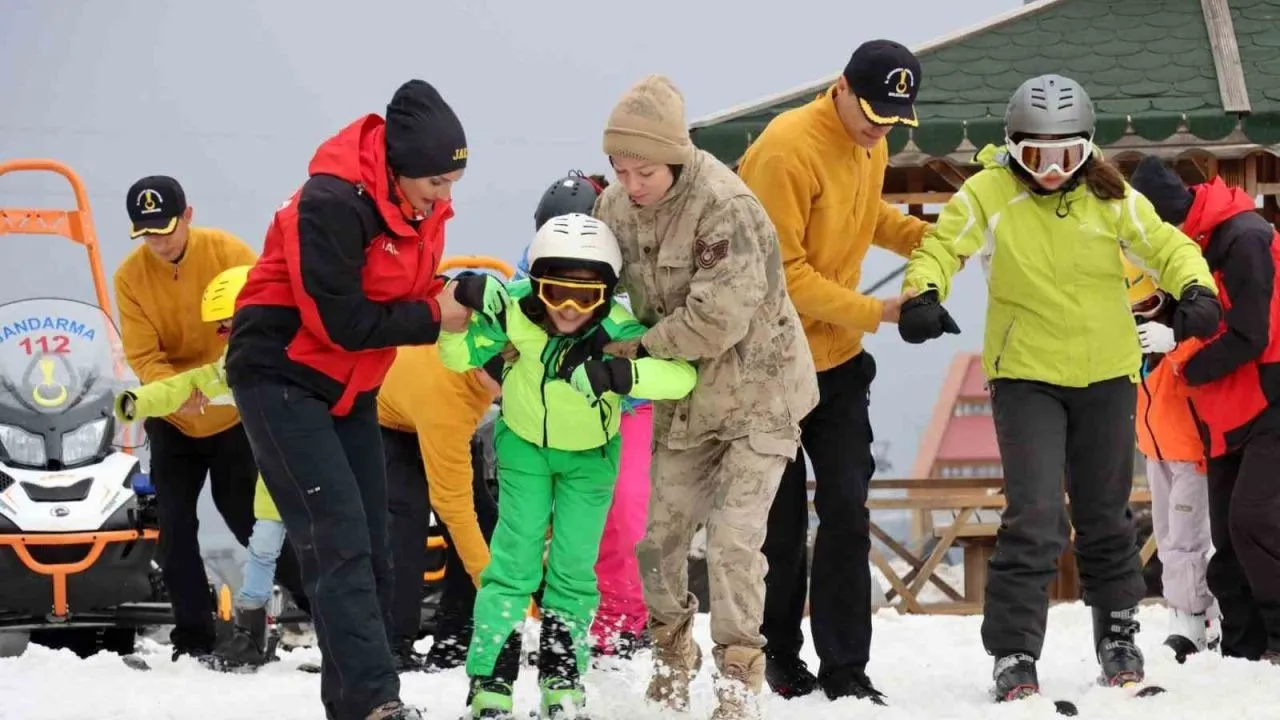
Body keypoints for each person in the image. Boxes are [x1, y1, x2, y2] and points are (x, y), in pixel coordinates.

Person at [897, 74, 1220, 702]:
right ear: (1012, 146)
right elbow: (942, 246)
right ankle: (1014, 650)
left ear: (1087, 148)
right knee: (1036, 514)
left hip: (1106, 372)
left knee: (1105, 514)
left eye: (1067, 155)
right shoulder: (989, 192)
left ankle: (1118, 636)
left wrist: (1196, 288)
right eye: (1036, 155)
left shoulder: (1111, 194)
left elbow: (1166, 245)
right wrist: (923, 293)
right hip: (1026, 375)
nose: (1051, 170)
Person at [224, 79, 499, 720]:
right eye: (436, 182)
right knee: (338, 539)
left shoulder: (420, 207)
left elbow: (404, 287)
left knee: (374, 547)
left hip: (352, 384)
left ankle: (355, 705)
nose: (446, 196)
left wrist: (456, 288)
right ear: (397, 167)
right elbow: (339, 322)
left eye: (454, 183)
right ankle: (377, 704)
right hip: (282, 373)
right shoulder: (329, 202)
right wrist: (434, 316)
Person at [593, 74, 819, 719]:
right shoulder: (614, 207)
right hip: (686, 402)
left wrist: (633, 351)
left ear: (675, 157)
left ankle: (738, 681)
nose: (631, 185)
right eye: (620, 171)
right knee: (657, 541)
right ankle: (671, 660)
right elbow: (591, 285)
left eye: (644, 172)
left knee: (732, 542)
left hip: (760, 396)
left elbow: (717, 320)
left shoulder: (727, 207)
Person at [440, 212, 697, 719]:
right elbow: (456, 357)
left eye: (586, 296)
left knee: (575, 568)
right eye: (557, 293)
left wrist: (620, 373)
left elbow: (681, 377)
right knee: (514, 562)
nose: (570, 309)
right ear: (537, 285)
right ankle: (491, 680)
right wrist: (463, 304)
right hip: (525, 451)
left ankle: (562, 676)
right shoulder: (513, 310)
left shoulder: (615, 327)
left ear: (607, 294)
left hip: (589, 460)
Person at [736, 39, 929, 704]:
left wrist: (927, 238)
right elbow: (782, 275)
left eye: (895, 118)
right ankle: (780, 654)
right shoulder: (786, 150)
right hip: (769, 363)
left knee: (847, 506)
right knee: (782, 521)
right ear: (841, 87)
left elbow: (866, 214)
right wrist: (880, 311)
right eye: (874, 112)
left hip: (839, 363)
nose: (882, 128)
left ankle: (847, 667)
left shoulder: (872, 143)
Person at [114, 175, 305, 661]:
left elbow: (259, 323)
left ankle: (318, 608)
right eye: (146, 233)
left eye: (165, 229)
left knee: (248, 518)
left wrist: (223, 380)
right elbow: (144, 355)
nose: (157, 242)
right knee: (174, 527)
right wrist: (174, 394)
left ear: (188, 216)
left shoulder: (230, 253)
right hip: (174, 417)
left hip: (232, 413)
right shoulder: (129, 278)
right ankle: (194, 638)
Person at [1128, 156, 1280, 665]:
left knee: (1254, 520)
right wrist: (1163, 317)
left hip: (1270, 397)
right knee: (1226, 535)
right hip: (1226, 407)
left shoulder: (1243, 237)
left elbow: (1251, 332)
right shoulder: (1193, 244)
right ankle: (1242, 646)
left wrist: (1182, 352)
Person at [530, 171, 657, 661]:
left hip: (628, 403)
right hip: (565, 406)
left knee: (624, 509)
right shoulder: (534, 266)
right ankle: (571, 621)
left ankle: (623, 621)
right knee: (564, 518)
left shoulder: (634, 263)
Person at [377, 343, 502, 672]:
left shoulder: (494, 344)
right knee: (406, 521)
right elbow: (455, 508)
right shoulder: (447, 400)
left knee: (485, 521)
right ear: (479, 370)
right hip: (386, 421)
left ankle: (455, 639)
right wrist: (495, 594)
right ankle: (393, 643)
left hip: (435, 408)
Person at [1122, 256, 1220, 662]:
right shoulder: (1136, 349)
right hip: (1155, 451)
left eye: (1148, 305)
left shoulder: (1185, 338)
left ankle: (1191, 620)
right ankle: (1204, 615)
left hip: (1190, 455)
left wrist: (1175, 342)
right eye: (1133, 307)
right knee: (1167, 542)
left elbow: (1206, 355)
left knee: (1186, 541)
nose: (1141, 315)